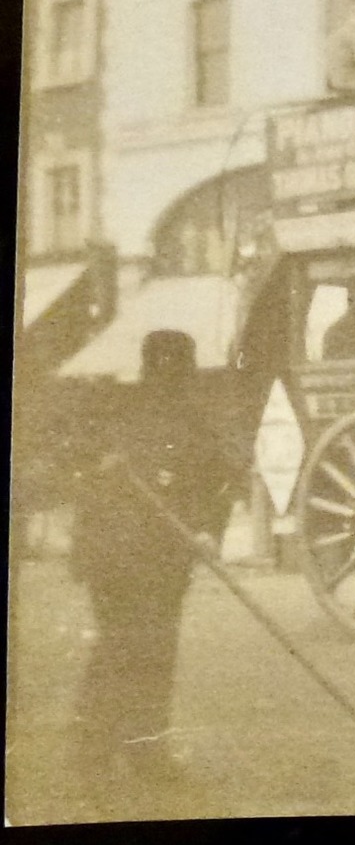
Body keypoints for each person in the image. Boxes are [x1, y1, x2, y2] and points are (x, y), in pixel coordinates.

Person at [69, 331, 238, 799]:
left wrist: (207, 529)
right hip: (116, 559)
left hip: (163, 560)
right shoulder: (115, 414)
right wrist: (98, 466)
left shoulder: (191, 422)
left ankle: (144, 751)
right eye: (163, 366)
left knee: (153, 654)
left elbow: (219, 480)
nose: (169, 376)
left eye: (174, 367)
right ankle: (94, 754)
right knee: (122, 650)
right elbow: (75, 462)